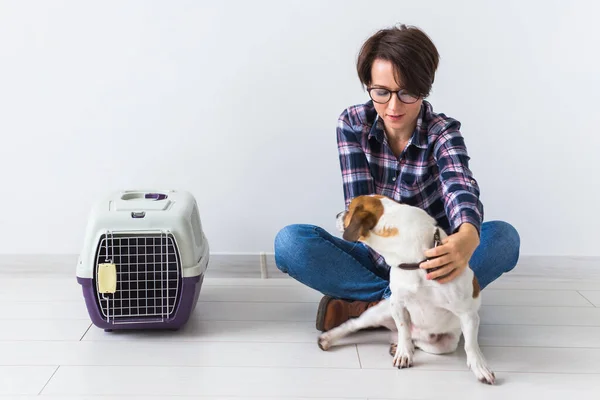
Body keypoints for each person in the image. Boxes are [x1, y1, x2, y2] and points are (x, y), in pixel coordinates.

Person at [273, 24, 520, 332]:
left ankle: (370, 307)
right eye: (381, 92)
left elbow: (459, 184)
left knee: (504, 238)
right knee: (291, 243)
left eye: (407, 92)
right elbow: (359, 209)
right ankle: (398, 305)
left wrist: (468, 234)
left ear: (424, 87)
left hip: (431, 261)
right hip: (377, 256)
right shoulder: (352, 124)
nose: (393, 106)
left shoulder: (441, 132)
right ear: (368, 86)